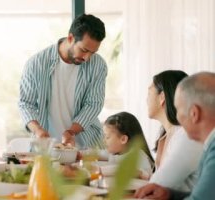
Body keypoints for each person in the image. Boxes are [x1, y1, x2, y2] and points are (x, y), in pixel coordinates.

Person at [18, 14, 107, 149]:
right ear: (71, 38)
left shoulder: (98, 65)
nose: (87, 58)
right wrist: (37, 130)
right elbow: (25, 104)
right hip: (47, 150)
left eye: (93, 53)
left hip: (88, 148)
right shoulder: (36, 64)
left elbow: (93, 104)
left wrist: (71, 132)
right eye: (84, 50)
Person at [134, 72, 215, 199]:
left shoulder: (208, 146)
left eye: (179, 109)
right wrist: (170, 195)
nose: (177, 117)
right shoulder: (210, 144)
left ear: (194, 113)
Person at [146, 70, 203, 191]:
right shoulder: (167, 134)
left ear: (162, 98)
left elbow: (158, 184)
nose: (146, 99)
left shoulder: (185, 136)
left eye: (149, 93)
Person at [103, 112, 154, 179]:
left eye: (107, 137)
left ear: (123, 139)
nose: (104, 140)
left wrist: (100, 170)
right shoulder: (121, 154)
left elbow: (137, 172)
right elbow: (104, 155)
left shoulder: (138, 155)